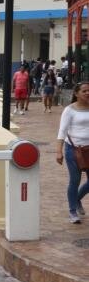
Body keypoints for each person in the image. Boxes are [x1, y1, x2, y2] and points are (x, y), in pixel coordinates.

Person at [56, 82, 89, 224]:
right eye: (84, 91)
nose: (87, 93)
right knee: (75, 181)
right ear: (76, 93)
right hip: (74, 150)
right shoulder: (70, 110)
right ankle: (72, 210)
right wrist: (59, 151)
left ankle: (76, 200)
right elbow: (62, 131)